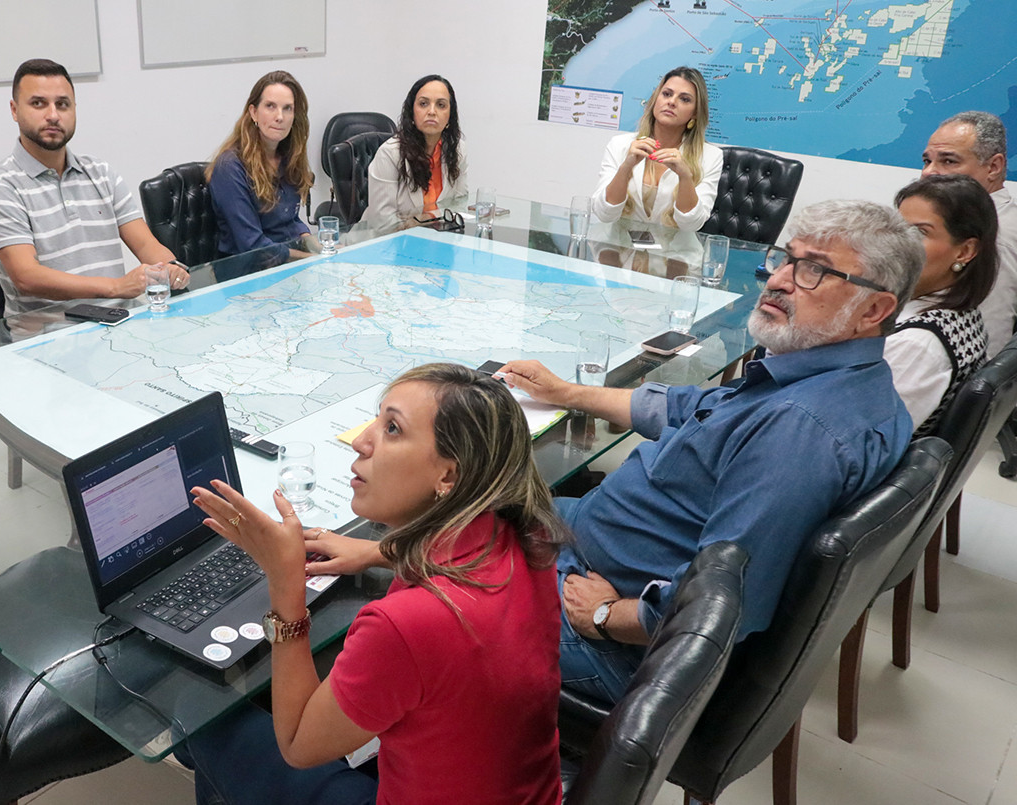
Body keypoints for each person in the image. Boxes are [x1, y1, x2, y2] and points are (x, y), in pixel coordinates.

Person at [499, 199, 923, 703]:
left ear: (874, 310)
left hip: (619, 643)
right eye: (787, 258)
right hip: (591, 546)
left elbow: (724, 601)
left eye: (813, 271)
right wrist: (568, 393)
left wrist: (608, 617)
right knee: (475, 504)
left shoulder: (799, 431)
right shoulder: (834, 378)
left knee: (428, 591)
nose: (780, 279)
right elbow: (688, 407)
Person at [182, 363, 565, 805]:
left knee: (196, 712)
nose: (362, 441)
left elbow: (298, 745)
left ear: (449, 476)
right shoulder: (528, 535)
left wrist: (285, 583)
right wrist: (375, 552)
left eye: (393, 429)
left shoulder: (405, 624)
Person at [0, 58, 188, 317]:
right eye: (38, 103)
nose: (53, 115)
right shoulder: (0, 186)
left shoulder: (101, 173)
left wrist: (170, 267)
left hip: (119, 323)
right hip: (47, 338)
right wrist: (115, 287)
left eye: (62, 104)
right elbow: (26, 278)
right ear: (14, 110)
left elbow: (147, 246)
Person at [887, 174, 996, 433]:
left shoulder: (917, 345)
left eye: (919, 232)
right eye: (897, 229)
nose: (897, 245)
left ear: (965, 251)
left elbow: (858, 442)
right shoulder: (957, 309)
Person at [589, 66, 723, 277]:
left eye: (684, 99)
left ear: (695, 114)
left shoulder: (710, 156)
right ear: (655, 99)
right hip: (617, 258)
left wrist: (685, 176)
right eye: (667, 94)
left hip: (678, 265)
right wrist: (627, 166)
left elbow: (691, 224)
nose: (671, 102)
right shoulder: (620, 145)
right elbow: (604, 214)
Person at [921, 111, 1015, 358]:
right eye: (926, 161)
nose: (929, 172)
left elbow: (987, 344)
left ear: (993, 167)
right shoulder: (961, 220)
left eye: (948, 161)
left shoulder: (994, 237)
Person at [207, 70, 313, 258]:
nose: (279, 116)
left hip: (286, 264)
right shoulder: (230, 167)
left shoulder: (288, 157)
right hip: (248, 271)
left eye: (287, 108)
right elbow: (253, 245)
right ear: (254, 112)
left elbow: (289, 220)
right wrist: (310, 259)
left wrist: (317, 245)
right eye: (270, 106)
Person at [361, 74, 468, 232]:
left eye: (441, 105)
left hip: (438, 238)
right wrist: (424, 221)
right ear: (411, 112)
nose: (432, 111)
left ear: (450, 117)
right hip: (388, 244)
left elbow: (460, 204)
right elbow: (381, 222)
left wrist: (419, 220)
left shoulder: (457, 149)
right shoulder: (390, 154)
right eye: (423, 104)